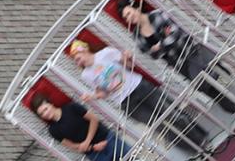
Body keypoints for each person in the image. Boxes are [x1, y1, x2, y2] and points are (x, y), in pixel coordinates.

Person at [117, 0, 235, 118]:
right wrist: (163, 45)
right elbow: (152, 54)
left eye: (129, 13)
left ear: (136, 8)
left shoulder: (158, 15)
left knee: (206, 80)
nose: (129, 18)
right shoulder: (137, 35)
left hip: (189, 51)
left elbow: (175, 34)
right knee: (206, 88)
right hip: (178, 63)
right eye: (126, 17)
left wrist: (160, 46)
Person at [31, 92, 176, 161]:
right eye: (41, 113)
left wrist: (88, 140)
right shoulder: (53, 130)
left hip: (107, 138)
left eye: (45, 109)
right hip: (95, 153)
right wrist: (89, 146)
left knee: (137, 160)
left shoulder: (71, 108)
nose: (45, 113)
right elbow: (69, 144)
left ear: (50, 104)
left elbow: (93, 120)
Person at [68, 40, 196, 142]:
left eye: (77, 57)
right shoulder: (85, 75)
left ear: (84, 49)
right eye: (75, 61)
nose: (78, 61)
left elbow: (129, 66)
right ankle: (189, 148)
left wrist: (127, 57)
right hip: (126, 102)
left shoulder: (106, 53)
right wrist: (92, 97)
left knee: (171, 112)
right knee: (159, 126)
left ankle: (199, 138)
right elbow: (103, 92)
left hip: (139, 87)